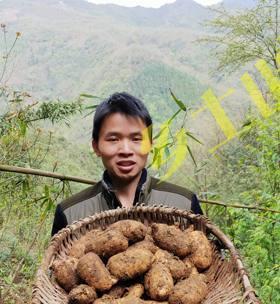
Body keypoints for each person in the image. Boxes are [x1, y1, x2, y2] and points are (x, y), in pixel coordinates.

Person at [51, 92, 203, 236]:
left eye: (136, 139)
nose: (125, 150)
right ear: (96, 147)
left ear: (150, 144)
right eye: (113, 139)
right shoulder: (70, 214)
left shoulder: (185, 203)